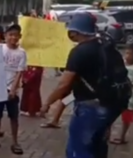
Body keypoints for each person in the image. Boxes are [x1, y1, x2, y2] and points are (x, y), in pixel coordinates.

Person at [40, 12, 126, 158]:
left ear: (75, 31)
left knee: (79, 149)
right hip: (112, 105)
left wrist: (47, 103)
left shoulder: (79, 51)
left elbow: (64, 84)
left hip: (90, 108)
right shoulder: (106, 46)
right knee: (98, 146)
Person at [0, 24, 25, 154]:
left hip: (12, 89)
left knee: (13, 117)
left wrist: (13, 89)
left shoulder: (22, 53)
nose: (13, 37)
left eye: (16, 35)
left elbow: (19, 72)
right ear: (5, 36)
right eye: (10, 35)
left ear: (20, 37)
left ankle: (15, 142)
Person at [110, 43, 133, 145]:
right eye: (126, 53)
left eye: (130, 53)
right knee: (111, 116)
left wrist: (127, 81)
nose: (127, 55)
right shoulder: (121, 65)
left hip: (131, 99)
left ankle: (122, 137)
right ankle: (107, 134)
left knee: (126, 119)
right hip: (118, 96)